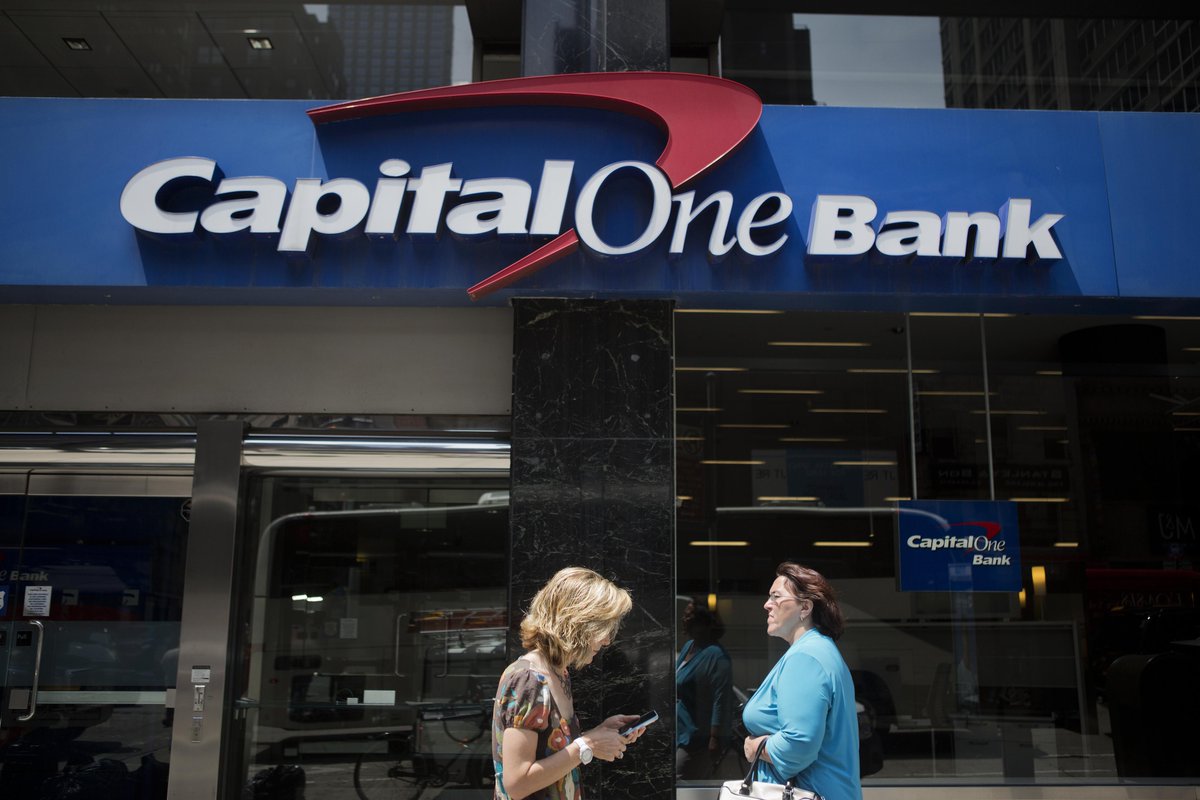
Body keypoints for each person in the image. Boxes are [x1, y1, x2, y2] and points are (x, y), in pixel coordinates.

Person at [492, 567, 645, 800]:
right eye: (602, 628)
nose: (607, 641)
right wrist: (588, 745)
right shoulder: (528, 679)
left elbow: (552, 752)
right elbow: (517, 784)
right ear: (576, 623)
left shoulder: (558, 672)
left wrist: (598, 735)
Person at [741, 563, 862, 800]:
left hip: (811, 792)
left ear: (805, 607)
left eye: (776, 597)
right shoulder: (817, 650)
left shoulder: (806, 658)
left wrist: (756, 747)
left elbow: (797, 746)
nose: (767, 604)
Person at [675, 600, 733, 779]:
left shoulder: (716, 656)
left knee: (680, 779)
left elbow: (720, 700)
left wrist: (714, 738)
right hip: (679, 733)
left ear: (703, 622)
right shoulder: (688, 646)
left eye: (690, 616)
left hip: (697, 739)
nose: (684, 620)